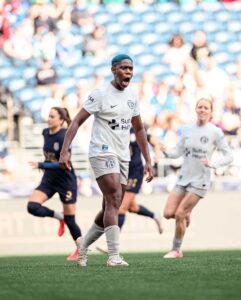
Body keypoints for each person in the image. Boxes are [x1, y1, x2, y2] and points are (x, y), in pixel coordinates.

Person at [59, 54, 154, 267]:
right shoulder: (101, 94)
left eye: (131, 68)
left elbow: (139, 128)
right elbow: (76, 121)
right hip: (101, 151)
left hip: (123, 155)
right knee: (114, 197)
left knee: (111, 204)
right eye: (124, 68)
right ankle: (114, 256)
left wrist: (148, 159)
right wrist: (65, 150)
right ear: (113, 70)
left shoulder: (132, 96)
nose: (128, 72)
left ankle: (82, 246)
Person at [160, 98, 233, 258]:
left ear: (211, 112)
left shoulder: (215, 132)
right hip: (183, 177)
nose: (202, 110)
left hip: (200, 180)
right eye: (199, 107)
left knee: (179, 214)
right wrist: (166, 151)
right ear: (195, 109)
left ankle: (176, 250)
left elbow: (229, 156)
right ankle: (187, 213)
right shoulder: (187, 129)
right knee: (167, 213)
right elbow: (178, 151)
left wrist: (212, 163)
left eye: (206, 108)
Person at [27, 107, 82, 261]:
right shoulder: (45, 132)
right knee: (32, 206)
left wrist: (42, 165)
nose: (49, 119)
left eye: (52, 116)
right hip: (50, 180)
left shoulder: (64, 136)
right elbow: (50, 156)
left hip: (66, 181)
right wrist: (44, 165)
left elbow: (64, 164)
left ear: (61, 120)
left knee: (71, 220)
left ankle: (81, 249)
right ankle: (59, 217)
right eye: (48, 116)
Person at [118, 126, 163, 232]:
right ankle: (155, 216)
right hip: (123, 172)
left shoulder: (135, 128)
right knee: (132, 207)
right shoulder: (116, 127)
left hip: (135, 171)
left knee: (122, 207)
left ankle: (112, 244)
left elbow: (154, 143)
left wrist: (155, 159)